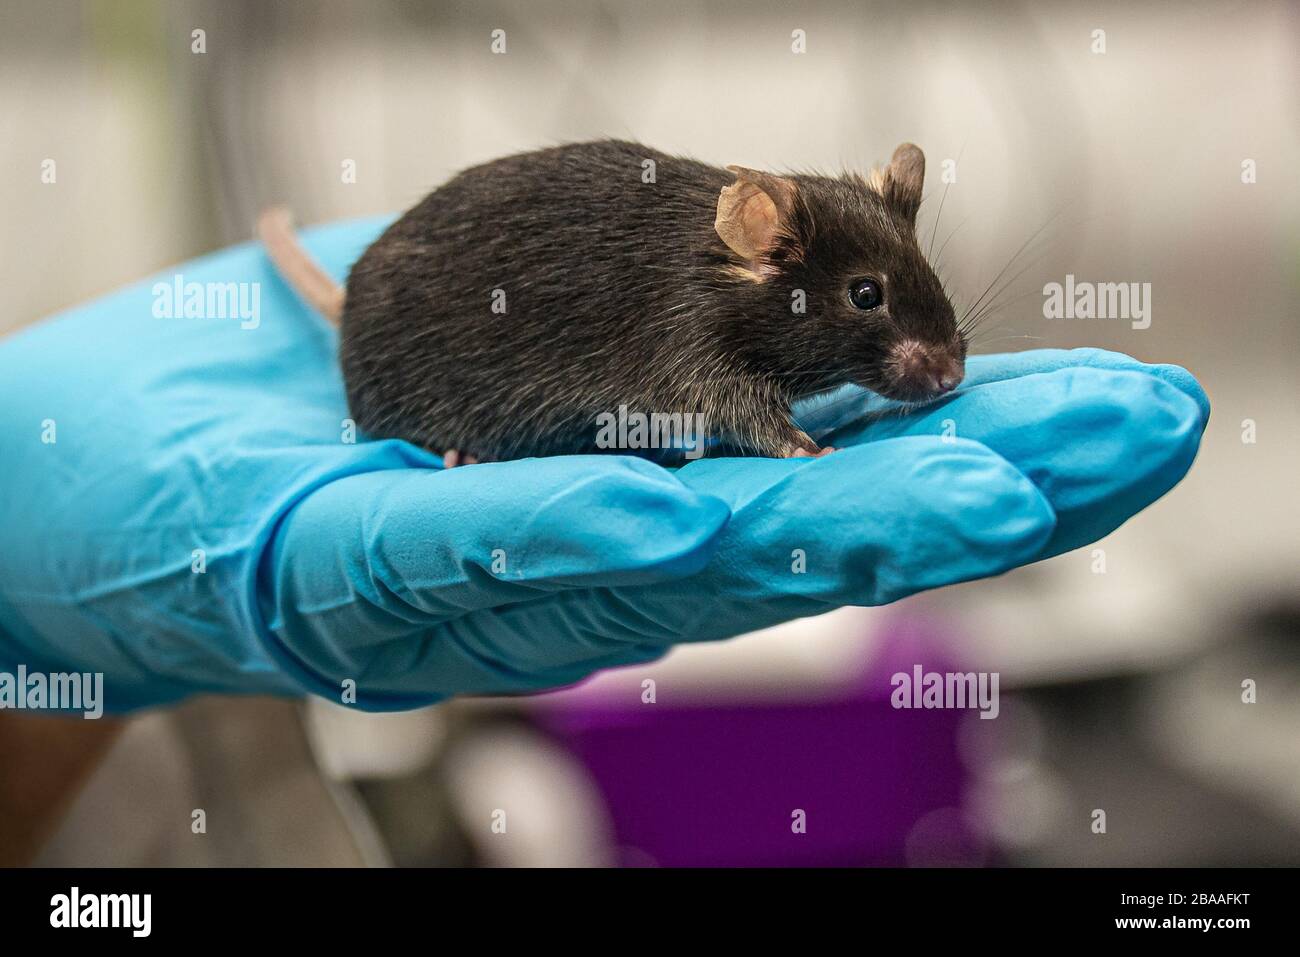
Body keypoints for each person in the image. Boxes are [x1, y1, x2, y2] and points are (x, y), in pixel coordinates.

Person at [0, 218, 1209, 715]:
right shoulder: (703, 304)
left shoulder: (740, 289)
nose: (927, 361)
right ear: (761, 245)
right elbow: (699, 371)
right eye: (867, 307)